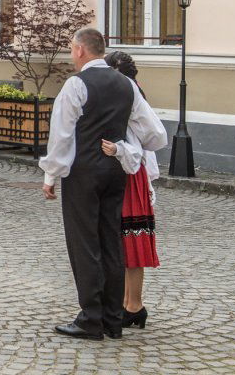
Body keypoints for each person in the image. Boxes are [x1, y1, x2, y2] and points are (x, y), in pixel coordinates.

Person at [39, 28, 168, 341]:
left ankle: (91, 318)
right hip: (116, 171)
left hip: (83, 171)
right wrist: (126, 150)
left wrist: (51, 174)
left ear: (81, 50)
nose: (72, 55)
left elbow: (62, 135)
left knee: (84, 243)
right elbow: (155, 135)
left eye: (72, 49)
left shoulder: (76, 85)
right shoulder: (126, 84)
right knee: (111, 240)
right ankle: (113, 318)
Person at [102, 50, 161, 330]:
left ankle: (134, 305)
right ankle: (127, 302)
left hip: (132, 173)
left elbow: (153, 136)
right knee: (120, 240)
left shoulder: (131, 94)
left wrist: (125, 148)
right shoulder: (121, 93)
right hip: (120, 170)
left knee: (131, 238)